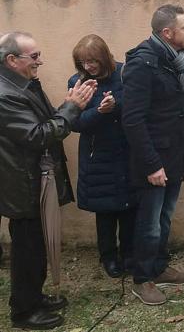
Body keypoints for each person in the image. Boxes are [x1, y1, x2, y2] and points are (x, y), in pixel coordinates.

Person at [0, 31, 96, 330]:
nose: (40, 61)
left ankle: (35, 298)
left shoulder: (23, 84)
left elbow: (44, 122)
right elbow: (37, 135)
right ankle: (24, 312)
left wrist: (67, 105)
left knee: (35, 245)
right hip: (22, 184)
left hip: (33, 181)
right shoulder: (5, 94)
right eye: (34, 56)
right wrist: (72, 107)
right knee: (27, 249)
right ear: (12, 60)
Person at [122, 4, 184, 306]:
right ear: (167, 33)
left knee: (165, 216)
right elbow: (132, 120)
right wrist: (151, 164)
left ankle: (159, 267)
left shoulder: (179, 60)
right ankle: (142, 278)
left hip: (175, 155)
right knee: (149, 221)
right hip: (153, 161)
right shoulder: (141, 65)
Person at [68, 35, 136, 278]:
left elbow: (137, 106)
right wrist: (99, 112)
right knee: (105, 212)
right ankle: (108, 257)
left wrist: (115, 105)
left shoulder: (125, 73)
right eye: (83, 62)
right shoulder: (78, 82)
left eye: (92, 61)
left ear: (104, 56)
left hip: (127, 152)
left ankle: (129, 254)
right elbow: (75, 123)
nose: (88, 67)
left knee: (130, 208)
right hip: (98, 156)